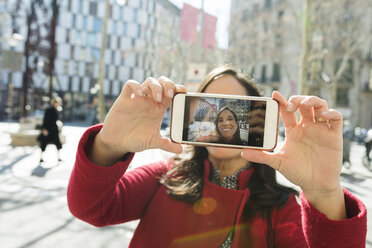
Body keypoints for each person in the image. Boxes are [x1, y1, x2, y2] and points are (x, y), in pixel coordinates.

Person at [67, 65, 367, 247]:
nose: (223, 120)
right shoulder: (165, 177)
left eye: (234, 109)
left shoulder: (283, 206)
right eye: (211, 107)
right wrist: (108, 145)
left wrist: (324, 192)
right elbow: (91, 207)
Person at [37, 96, 63, 162]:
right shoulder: (49, 110)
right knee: (44, 143)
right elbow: (45, 120)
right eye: (57, 102)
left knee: (57, 143)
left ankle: (59, 157)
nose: (58, 104)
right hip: (48, 129)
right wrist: (44, 129)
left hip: (54, 130)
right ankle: (41, 157)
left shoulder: (56, 110)